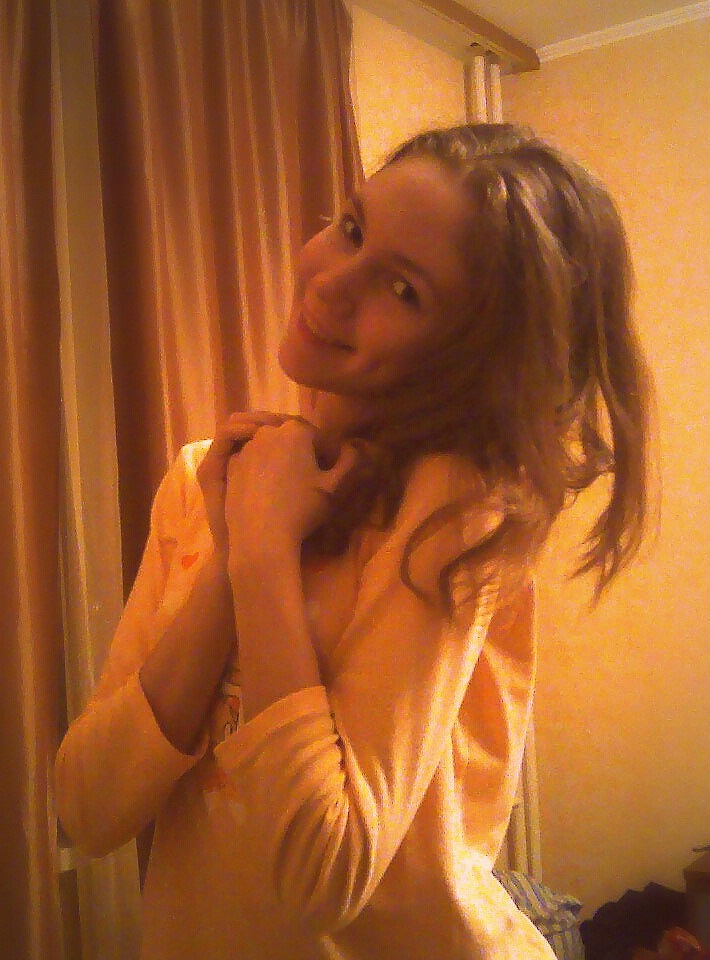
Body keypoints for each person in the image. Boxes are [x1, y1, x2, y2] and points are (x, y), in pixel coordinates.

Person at [55, 123, 651, 959]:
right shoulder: (206, 478)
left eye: (403, 290)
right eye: (351, 227)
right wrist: (237, 551)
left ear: (473, 358)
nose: (330, 283)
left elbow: (321, 875)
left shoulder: (455, 515)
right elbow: (85, 809)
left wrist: (263, 554)